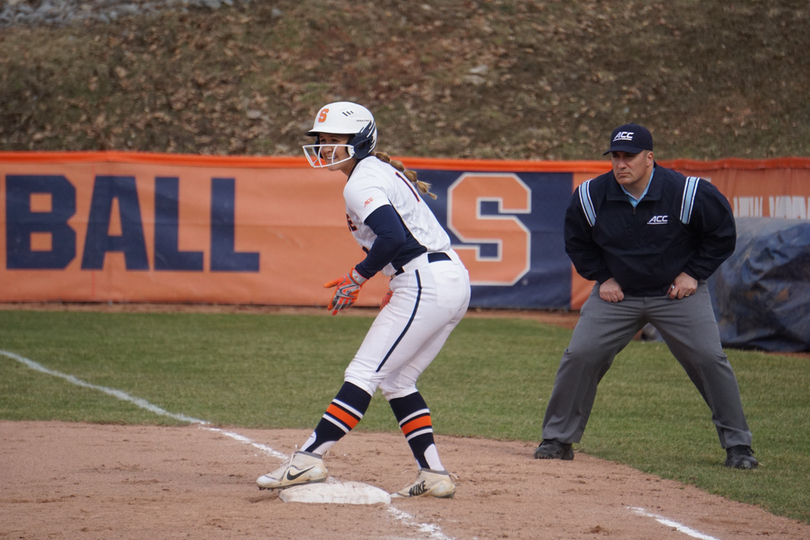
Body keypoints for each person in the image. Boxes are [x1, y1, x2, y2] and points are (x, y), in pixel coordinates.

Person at [256, 101, 471, 497]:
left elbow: (391, 237)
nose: (325, 147)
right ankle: (434, 474)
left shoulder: (361, 181)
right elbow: (405, 235)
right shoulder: (376, 170)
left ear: (359, 140)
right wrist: (395, 280)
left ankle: (307, 459)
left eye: (335, 140)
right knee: (398, 380)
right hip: (444, 276)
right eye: (322, 140)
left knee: (363, 373)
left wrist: (357, 278)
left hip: (426, 279)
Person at [534, 123, 757, 469]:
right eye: (616, 157)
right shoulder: (591, 195)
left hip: (677, 294)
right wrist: (603, 277)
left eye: (629, 157)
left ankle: (739, 447)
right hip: (618, 296)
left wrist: (694, 274)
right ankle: (557, 439)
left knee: (709, 360)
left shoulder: (688, 192)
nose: (621, 164)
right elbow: (577, 242)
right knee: (580, 354)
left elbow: (722, 235)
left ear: (649, 158)